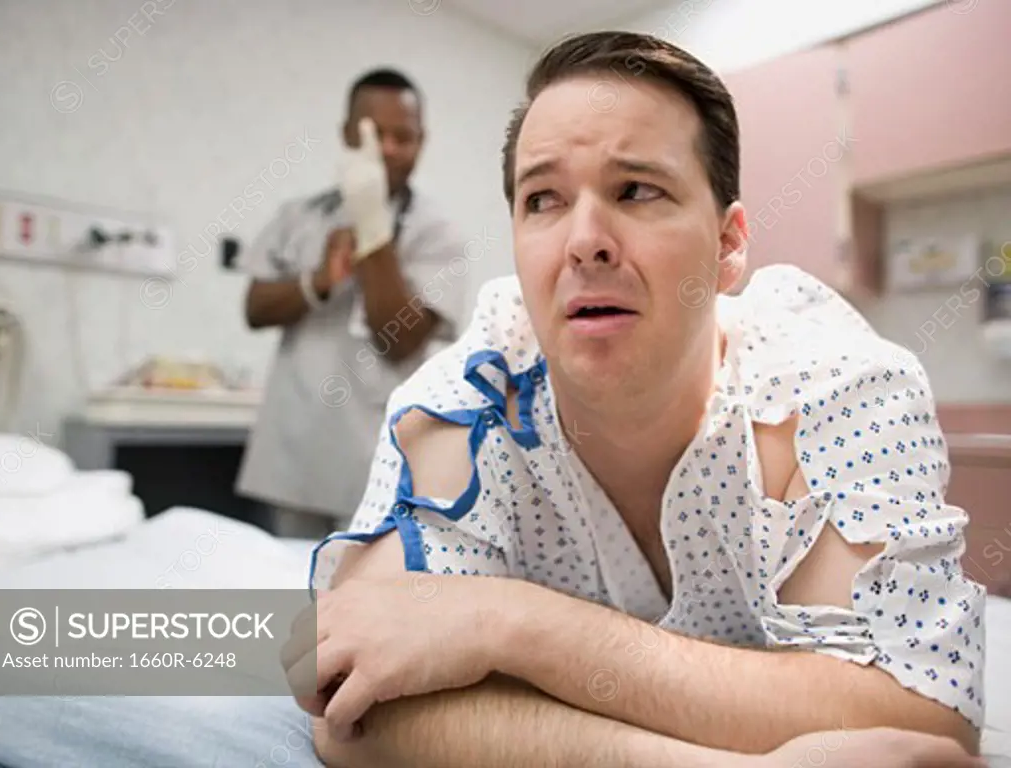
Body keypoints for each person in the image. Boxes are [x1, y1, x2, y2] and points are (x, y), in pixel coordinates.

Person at [283, 32, 989, 767]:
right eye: (543, 200)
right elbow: (347, 703)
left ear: (728, 243)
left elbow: (923, 719)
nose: (585, 241)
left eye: (636, 190)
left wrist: (512, 623)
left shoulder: (836, 390)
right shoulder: (465, 406)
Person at [236, 68, 470, 538]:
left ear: (421, 141)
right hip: (294, 455)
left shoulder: (437, 232)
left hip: (373, 462)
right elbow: (255, 309)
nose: (386, 149)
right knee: (287, 592)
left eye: (402, 136)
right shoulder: (300, 216)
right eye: (372, 134)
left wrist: (371, 227)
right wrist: (318, 281)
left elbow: (400, 339)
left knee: (359, 601)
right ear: (347, 135)